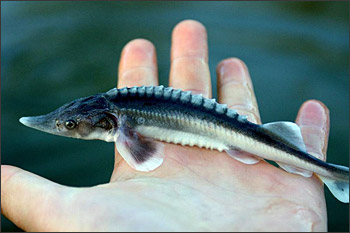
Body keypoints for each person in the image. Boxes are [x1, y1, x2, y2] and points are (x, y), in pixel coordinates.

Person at [1, 20, 328, 231]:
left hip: (248, 137)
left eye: (70, 124)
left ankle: (332, 173)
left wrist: (134, 150)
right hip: (236, 137)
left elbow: (144, 158)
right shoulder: (115, 112)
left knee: (280, 151)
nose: (64, 128)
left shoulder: (121, 126)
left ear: (108, 123)